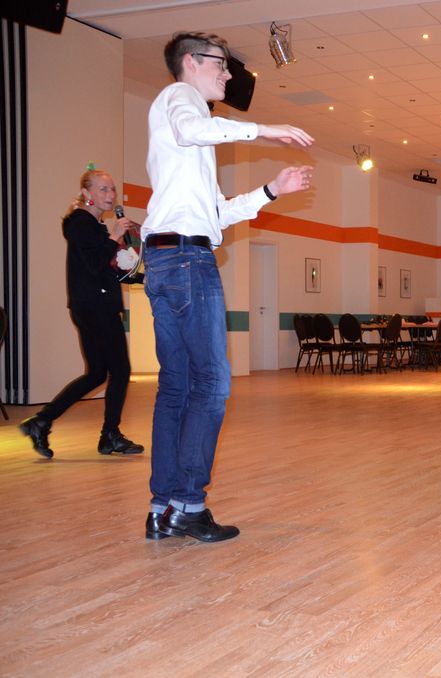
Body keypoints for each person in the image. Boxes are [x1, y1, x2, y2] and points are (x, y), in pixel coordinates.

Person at [142, 31, 314, 543]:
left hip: (169, 258)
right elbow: (196, 130)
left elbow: (216, 214)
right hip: (186, 262)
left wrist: (271, 191)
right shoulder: (180, 99)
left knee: (176, 388)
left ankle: (163, 508)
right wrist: (266, 130)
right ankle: (188, 505)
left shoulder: (186, 137)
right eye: (221, 64)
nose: (228, 74)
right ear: (191, 62)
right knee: (212, 386)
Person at [19, 168, 145, 459]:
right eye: (103, 189)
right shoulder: (80, 223)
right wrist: (115, 236)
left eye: (112, 189)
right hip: (95, 307)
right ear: (87, 194)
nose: (110, 195)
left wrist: (136, 275)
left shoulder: (94, 227)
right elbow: (93, 264)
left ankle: (42, 421)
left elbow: (102, 268)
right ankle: (110, 436)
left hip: (92, 305)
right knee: (120, 370)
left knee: (97, 373)